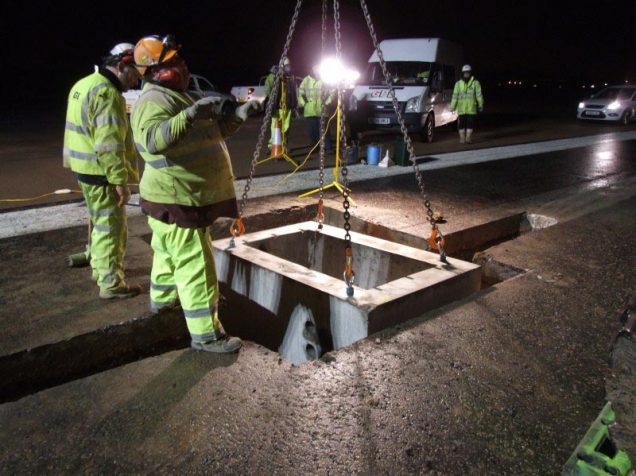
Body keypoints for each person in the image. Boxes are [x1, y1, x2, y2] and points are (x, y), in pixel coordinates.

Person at [131, 35, 259, 353]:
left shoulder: (174, 96)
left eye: (180, 60)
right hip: (178, 198)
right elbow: (152, 140)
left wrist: (237, 117)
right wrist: (190, 115)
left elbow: (206, 135)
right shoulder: (154, 101)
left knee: (166, 254)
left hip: (172, 197)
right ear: (155, 70)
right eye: (174, 62)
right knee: (196, 265)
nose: (182, 66)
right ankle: (206, 335)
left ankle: (163, 304)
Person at [63, 42, 141, 299]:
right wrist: (120, 180)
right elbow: (109, 144)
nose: (136, 80)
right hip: (102, 173)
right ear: (120, 66)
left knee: (98, 221)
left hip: (83, 169)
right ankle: (111, 284)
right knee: (111, 227)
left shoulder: (84, 84)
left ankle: (98, 265)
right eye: (134, 73)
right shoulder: (108, 94)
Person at [264, 57, 297, 149]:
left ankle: (283, 145)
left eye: (289, 66)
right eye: (286, 66)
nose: (288, 68)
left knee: (286, 127)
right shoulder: (273, 76)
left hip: (288, 106)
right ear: (281, 66)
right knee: (275, 127)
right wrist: (273, 98)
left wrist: (294, 104)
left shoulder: (290, 77)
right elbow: (267, 89)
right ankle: (273, 146)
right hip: (277, 107)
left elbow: (293, 91)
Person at [298, 65, 333, 151]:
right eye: (315, 70)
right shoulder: (306, 80)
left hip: (323, 110)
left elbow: (332, 92)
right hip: (310, 111)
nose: (316, 71)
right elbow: (300, 92)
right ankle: (314, 148)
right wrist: (304, 103)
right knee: (312, 131)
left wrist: (327, 102)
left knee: (324, 131)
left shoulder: (326, 79)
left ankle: (328, 148)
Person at [450, 64, 484, 144]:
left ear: (470, 73)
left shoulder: (475, 83)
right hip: (461, 108)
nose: (466, 74)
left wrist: (480, 104)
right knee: (461, 124)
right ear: (462, 73)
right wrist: (452, 107)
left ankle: (468, 138)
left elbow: (479, 95)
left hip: (471, 108)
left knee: (470, 124)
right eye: (465, 72)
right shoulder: (458, 84)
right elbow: (455, 96)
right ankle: (462, 138)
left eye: (468, 72)